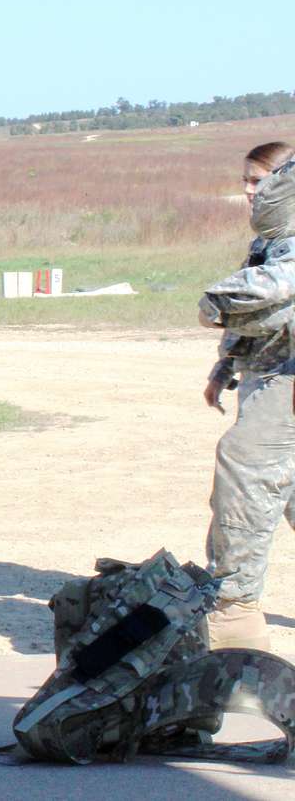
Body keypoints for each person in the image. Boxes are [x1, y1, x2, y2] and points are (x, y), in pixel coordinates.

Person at [198, 142, 295, 653]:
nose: (248, 191)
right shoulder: (272, 243)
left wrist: (217, 302)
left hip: (288, 381)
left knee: (245, 466)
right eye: (246, 181)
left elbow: (275, 291)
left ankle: (234, 611)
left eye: (259, 182)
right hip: (269, 373)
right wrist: (224, 367)